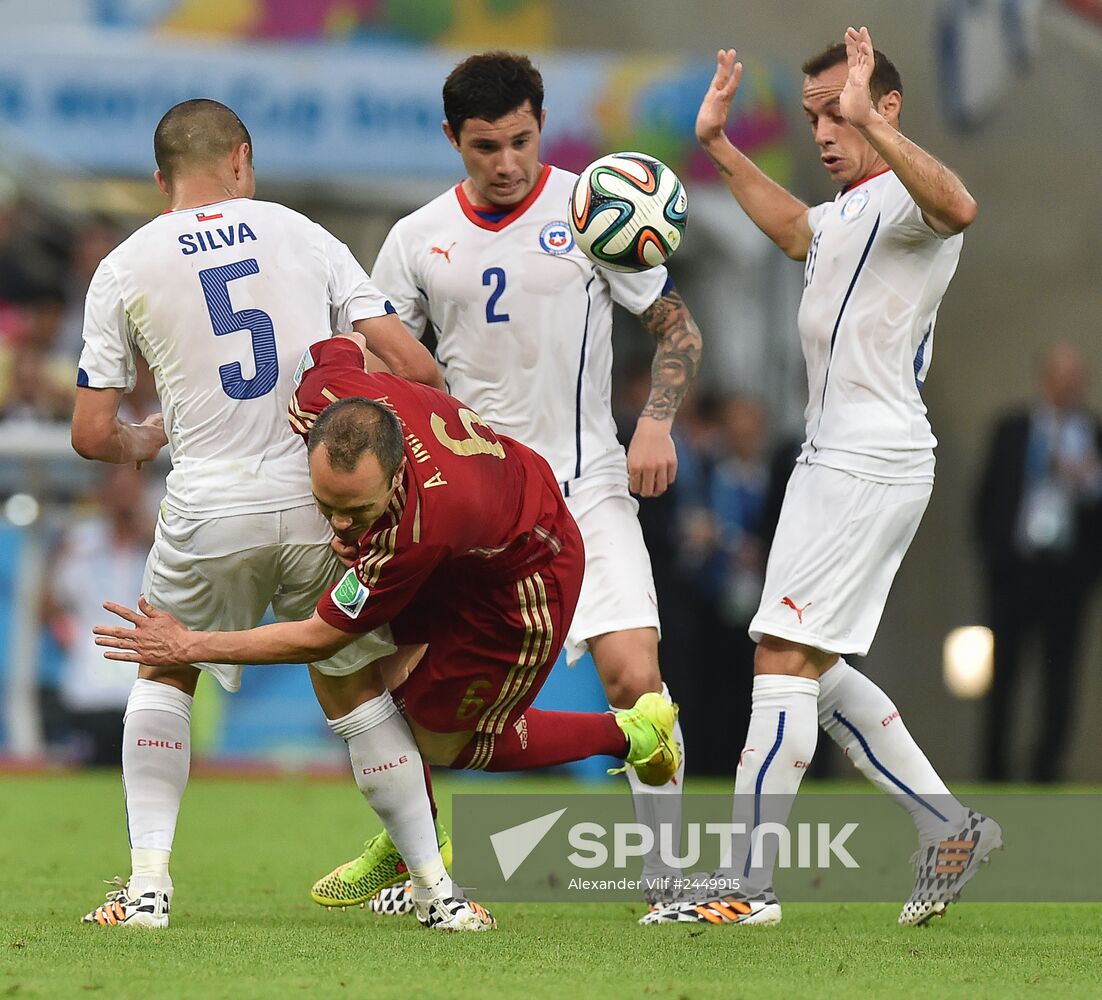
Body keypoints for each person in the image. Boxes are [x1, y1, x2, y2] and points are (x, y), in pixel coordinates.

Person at [70, 98, 491, 932]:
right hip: (319, 500)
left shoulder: (125, 263)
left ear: (161, 180)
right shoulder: (303, 233)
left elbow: (89, 433)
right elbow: (413, 364)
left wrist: (148, 437)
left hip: (208, 503)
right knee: (355, 690)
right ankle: (440, 895)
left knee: (165, 673)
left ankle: (148, 890)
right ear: (243, 159)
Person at [93, 334, 682, 893]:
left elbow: (317, 640)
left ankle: (633, 732)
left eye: (357, 510)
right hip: (470, 544)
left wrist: (189, 646)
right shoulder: (320, 395)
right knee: (383, 676)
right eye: (328, 505)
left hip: (523, 577)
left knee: (440, 741)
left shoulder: (419, 530)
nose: (341, 522)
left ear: (398, 472)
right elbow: (339, 344)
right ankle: (413, 842)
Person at [324, 50, 704, 908]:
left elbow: (676, 327)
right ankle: (417, 859)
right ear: (453, 138)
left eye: (521, 142)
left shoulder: (594, 208)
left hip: (585, 486)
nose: (505, 164)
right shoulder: (418, 239)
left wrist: (655, 419)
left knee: (635, 680)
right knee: (390, 694)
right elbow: (383, 360)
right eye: (484, 147)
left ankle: (670, 880)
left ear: (541, 124)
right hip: (472, 507)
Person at [644, 27, 1000, 928]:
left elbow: (961, 206)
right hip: (830, 456)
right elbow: (797, 228)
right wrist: (720, 147)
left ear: (886, 108)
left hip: (872, 457)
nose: (826, 133)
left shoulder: (913, 202)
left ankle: (745, 889)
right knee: (813, 664)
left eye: (840, 112)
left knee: (781, 657)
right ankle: (945, 827)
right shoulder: (842, 213)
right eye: (814, 119)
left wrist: (872, 128)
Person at [975, 343, 1102, 782]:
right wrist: (994, 562)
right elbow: (986, 499)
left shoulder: (1093, 434)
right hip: (1016, 573)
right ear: (1045, 378)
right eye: (1060, 376)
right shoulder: (1012, 429)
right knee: (1003, 676)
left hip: (1067, 578)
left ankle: (1047, 771)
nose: (1067, 385)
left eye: (1075, 378)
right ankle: (993, 771)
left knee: (1060, 679)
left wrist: (1088, 481)